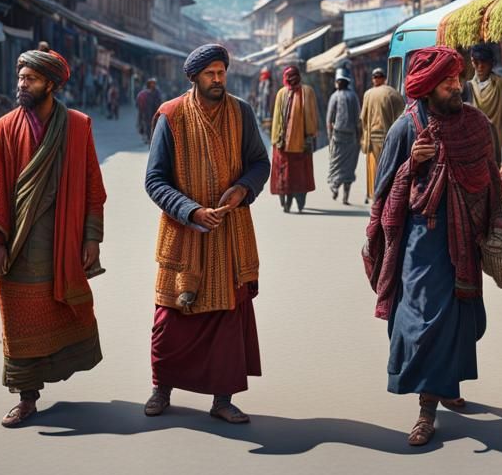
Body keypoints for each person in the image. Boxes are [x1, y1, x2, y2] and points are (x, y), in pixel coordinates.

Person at [364, 45, 502, 446]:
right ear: (427, 89)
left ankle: (446, 385)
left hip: (465, 239)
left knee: (461, 319)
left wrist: (499, 224)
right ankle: (427, 409)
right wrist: (412, 164)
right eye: (447, 83)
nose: (456, 87)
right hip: (422, 244)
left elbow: (491, 179)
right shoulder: (405, 129)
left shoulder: (476, 125)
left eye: (457, 79)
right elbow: (382, 191)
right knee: (422, 322)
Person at [0, 49, 107, 427]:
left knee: (63, 310)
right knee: (19, 319)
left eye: (29, 79)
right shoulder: (5, 127)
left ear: (50, 84)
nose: (21, 85)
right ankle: (26, 397)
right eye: (20, 78)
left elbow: (92, 186)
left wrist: (91, 238)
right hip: (18, 242)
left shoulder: (78, 126)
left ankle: (55, 373)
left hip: (63, 240)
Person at [143, 44, 270, 423]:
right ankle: (161, 389)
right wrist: (191, 211)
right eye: (210, 74)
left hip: (229, 233)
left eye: (221, 73)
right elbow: (154, 180)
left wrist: (243, 188)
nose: (218, 79)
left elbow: (259, 163)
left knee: (227, 320)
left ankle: (222, 400)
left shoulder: (241, 112)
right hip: (183, 235)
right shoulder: (171, 116)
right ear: (194, 78)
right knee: (170, 320)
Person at [270, 65, 319, 213]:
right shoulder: (305, 91)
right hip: (298, 144)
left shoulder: (286, 92)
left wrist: (276, 139)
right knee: (299, 174)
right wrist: (310, 134)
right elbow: (311, 118)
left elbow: (276, 120)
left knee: (285, 173)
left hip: (286, 144)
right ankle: (297, 202)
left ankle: (288, 201)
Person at [360, 67, 404, 203]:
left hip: (373, 138)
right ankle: (386, 194)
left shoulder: (368, 94)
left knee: (375, 167)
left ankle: (375, 194)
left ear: (374, 79)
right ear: (384, 78)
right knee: (390, 166)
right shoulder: (394, 93)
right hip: (390, 137)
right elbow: (402, 117)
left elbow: (363, 118)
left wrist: (363, 139)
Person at [464, 43, 502, 161]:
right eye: (476, 63)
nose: (480, 67)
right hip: (474, 143)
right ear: (472, 62)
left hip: (497, 141)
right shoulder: (468, 87)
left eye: (484, 63)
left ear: (491, 63)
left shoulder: (500, 85)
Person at [326, 67, 362, 204]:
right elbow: (358, 119)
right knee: (349, 166)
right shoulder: (353, 96)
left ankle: (335, 186)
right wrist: (359, 136)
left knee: (337, 163)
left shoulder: (335, 96)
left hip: (338, 136)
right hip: (350, 136)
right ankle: (344, 196)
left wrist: (330, 136)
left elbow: (329, 119)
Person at [135, 77, 162, 144]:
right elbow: (139, 101)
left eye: (153, 83)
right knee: (146, 124)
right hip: (146, 111)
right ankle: (147, 137)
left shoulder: (157, 92)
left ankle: (152, 137)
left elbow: (159, 101)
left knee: (153, 124)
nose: (152, 84)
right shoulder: (145, 92)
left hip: (154, 110)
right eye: (151, 83)